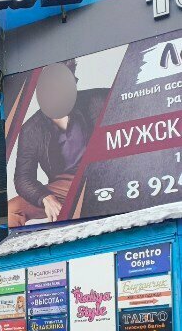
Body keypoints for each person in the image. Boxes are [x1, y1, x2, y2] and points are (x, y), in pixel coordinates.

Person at [8, 61, 109, 227]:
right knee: (11, 210)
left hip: (102, 174)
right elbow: (23, 177)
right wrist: (46, 198)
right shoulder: (31, 129)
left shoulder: (99, 101)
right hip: (66, 185)